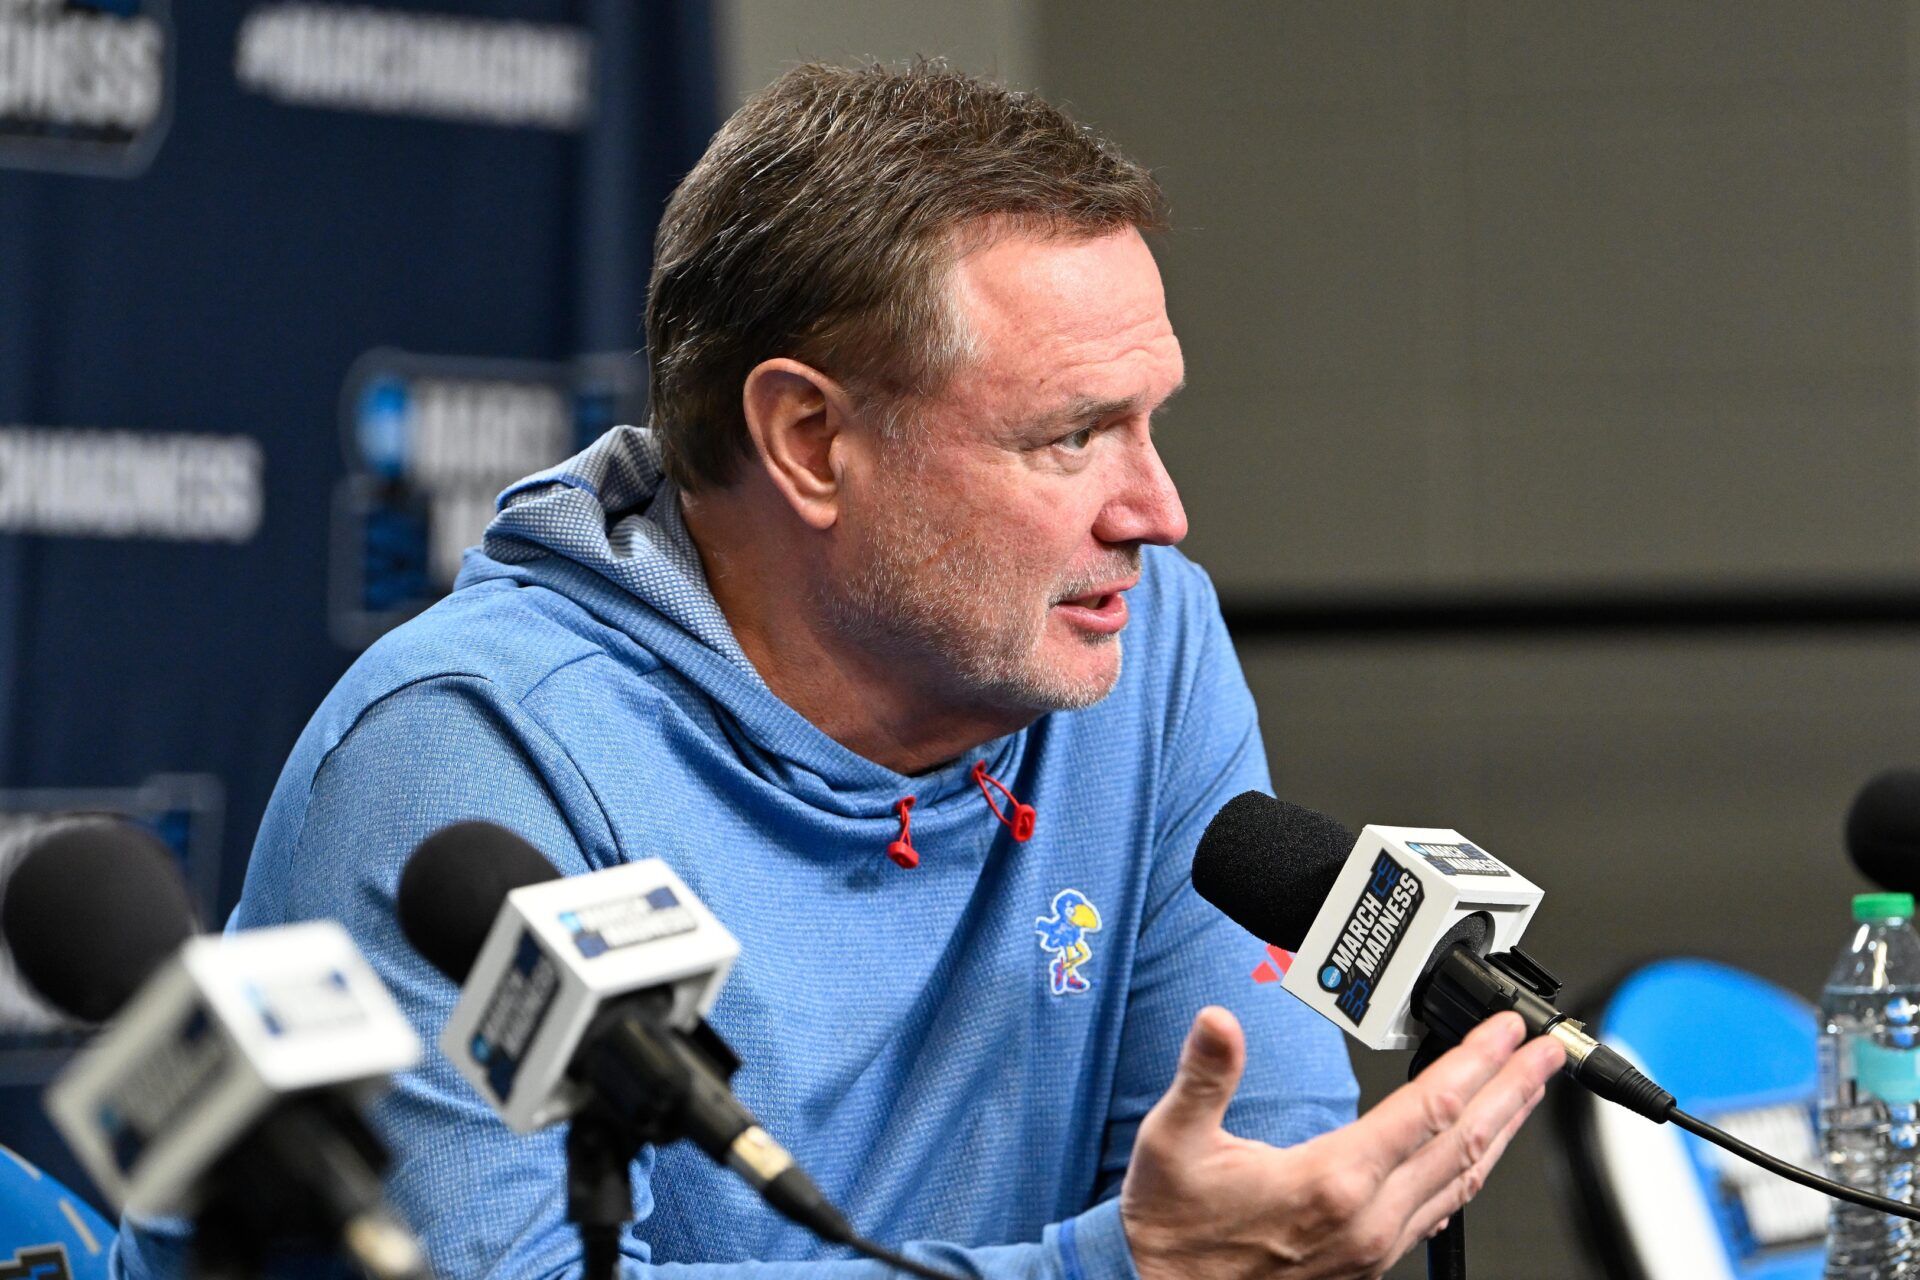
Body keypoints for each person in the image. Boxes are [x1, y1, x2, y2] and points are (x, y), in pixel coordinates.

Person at [114, 61, 1562, 1279]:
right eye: (1072, 437)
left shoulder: (1140, 641)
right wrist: (1101, 1272)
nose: (1158, 513)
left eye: (1151, 423)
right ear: (810, 442)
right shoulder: (470, 755)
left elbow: (1243, 1186)